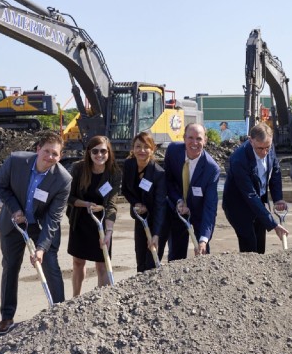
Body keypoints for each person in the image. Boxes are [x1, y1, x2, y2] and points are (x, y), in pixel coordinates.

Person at [0, 131, 71, 334]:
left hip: (40, 225)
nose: (50, 157)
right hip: (13, 224)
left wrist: (42, 247)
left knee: (50, 265)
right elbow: (0, 186)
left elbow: (54, 217)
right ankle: (7, 317)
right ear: (38, 149)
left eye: (55, 154)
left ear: (60, 156)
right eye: (46, 151)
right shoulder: (16, 161)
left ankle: (59, 313)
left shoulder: (63, 180)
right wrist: (15, 209)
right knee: (10, 267)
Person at [67, 135, 121, 294]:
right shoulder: (78, 168)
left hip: (101, 222)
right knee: (78, 262)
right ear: (89, 152)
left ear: (109, 152)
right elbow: (68, 197)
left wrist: (109, 232)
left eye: (103, 151)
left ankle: (100, 301)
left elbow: (111, 204)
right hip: (80, 220)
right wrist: (86, 205)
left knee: (102, 263)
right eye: (95, 151)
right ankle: (76, 298)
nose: (99, 155)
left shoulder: (114, 173)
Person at [223, 122, 288, 253]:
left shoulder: (269, 146)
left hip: (258, 201)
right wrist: (274, 224)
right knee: (249, 245)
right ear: (251, 141)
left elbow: (275, 171)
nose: (264, 152)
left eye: (267, 147)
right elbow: (249, 194)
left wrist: (278, 199)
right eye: (260, 148)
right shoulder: (239, 159)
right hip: (238, 205)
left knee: (260, 244)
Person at [164, 123, 221, 259]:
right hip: (177, 210)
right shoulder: (172, 151)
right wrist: (178, 201)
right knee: (176, 256)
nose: (194, 143)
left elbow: (210, 206)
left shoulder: (211, 169)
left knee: (203, 253)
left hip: (199, 211)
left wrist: (203, 239)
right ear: (184, 138)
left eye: (199, 139)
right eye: (190, 138)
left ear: (205, 141)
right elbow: (168, 181)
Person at [121, 131, 166, 272]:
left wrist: (156, 234)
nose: (142, 150)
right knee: (140, 260)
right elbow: (126, 190)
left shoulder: (158, 173)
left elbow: (160, 205)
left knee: (151, 263)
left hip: (157, 221)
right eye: (138, 146)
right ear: (133, 149)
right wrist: (136, 203)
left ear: (153, 149)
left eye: (146, 147)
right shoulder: (129, 165)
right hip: (140, 218)